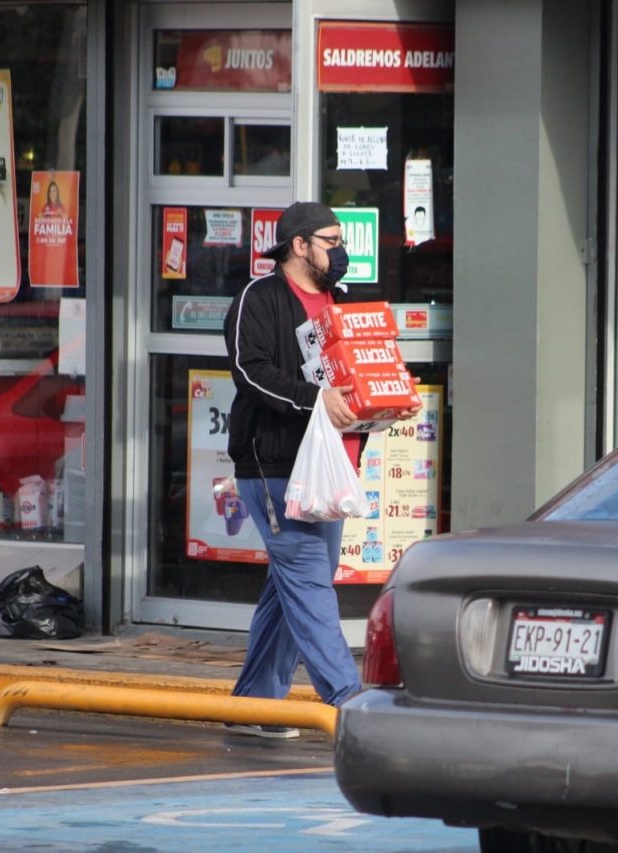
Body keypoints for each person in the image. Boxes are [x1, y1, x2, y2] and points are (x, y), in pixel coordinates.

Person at [222, 201, 393, 738]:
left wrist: (383, 401)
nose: (340, 252)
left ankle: (255, 707)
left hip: (333, 466)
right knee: (309, 584)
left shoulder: (340, 303)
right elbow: (251, 372)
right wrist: (317, 399)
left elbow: (358, 376)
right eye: (332, 241)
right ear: (300, 245)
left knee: (292, 588)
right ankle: (348, 701)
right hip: (274, 466)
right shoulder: (260, 298)